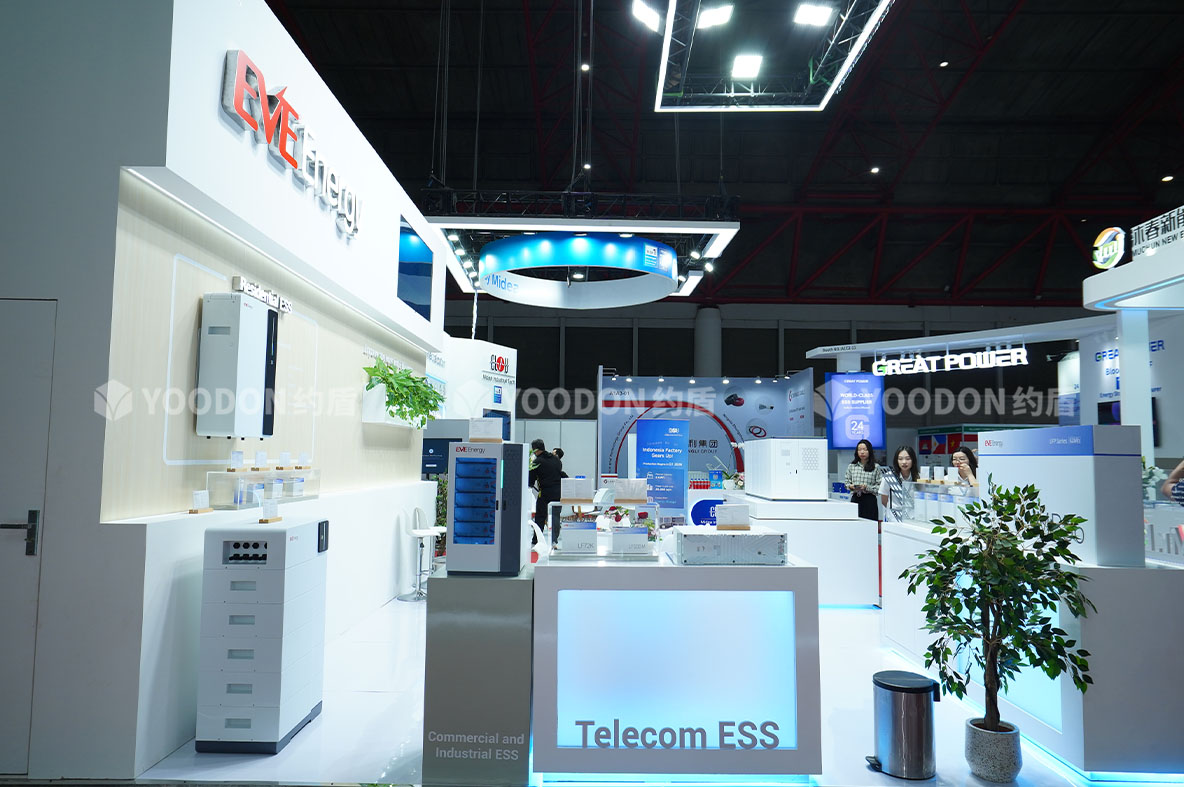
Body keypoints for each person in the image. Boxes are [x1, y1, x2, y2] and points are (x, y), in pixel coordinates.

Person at [528, 438, 563, 544]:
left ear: (535, 449)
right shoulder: (556, 459)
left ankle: (536, 539)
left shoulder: (537, 462)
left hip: (544, 493)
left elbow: (530, 480)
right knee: (556, 516)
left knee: (540, 516)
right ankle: (554, 540)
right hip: (558, 492)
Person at [879, 445, 920, 523]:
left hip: (913, 518)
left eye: (908, 459)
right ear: (896, 461)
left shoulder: (919, 477)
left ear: (913, 460)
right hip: (893, 518)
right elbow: (884, 500)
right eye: (900, 459)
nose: (904, 462)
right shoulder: (889, 477)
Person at [845, 439, 883, 521]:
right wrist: (851, 486)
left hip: (870, 500)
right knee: (855, 524)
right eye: (859, 450)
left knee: (870, 525)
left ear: (870, 451)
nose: (862, 452)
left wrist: (867, 487)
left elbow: (879, 488)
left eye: (865, 450)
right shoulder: (852, 466)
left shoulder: (876, 467)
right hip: (855, 499)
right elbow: (847, 483)